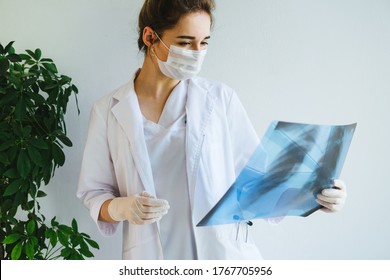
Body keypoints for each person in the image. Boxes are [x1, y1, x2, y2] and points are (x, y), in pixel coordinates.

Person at [77, 0, 347, 260]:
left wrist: (315, 194)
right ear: (150, 37)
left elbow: (260, 183)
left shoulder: (219, 99)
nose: (196, 52)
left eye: (203, 42)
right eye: (185, 42)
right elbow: (94, 194)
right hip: (152, 257)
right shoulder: (107, 110)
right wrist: (124, 208)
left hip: (221, 254)